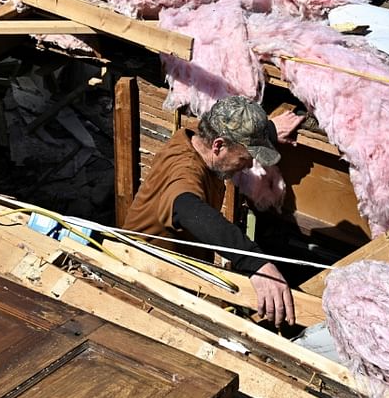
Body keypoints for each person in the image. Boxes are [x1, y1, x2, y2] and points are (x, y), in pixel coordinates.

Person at [123, 96, 303, 328]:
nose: (249, 166)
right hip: (145, 283)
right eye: (244, 158)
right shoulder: (185, 171)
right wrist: (256, 263)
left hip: (185, 274)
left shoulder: (197, 138)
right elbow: (187, 209)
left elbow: (231, 124)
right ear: (218, 145)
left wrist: (267, 130)